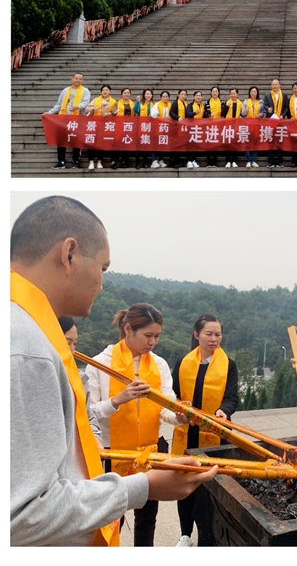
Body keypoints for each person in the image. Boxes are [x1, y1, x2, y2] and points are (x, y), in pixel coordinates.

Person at [10, 195, 217, 546]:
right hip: (111, 463)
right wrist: (145, 485)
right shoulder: (27, 348)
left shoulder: (24, 331)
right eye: (103, 268)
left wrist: (181, 415)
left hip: (145, 451)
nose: (102, 284)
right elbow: (23, 515)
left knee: (145, 528)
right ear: (69, 254)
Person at [85, 303, 186, 546]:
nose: (152, 342)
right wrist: (119, 399)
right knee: (112, 518)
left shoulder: (159, 364)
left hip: (149, 450)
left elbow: (166, 407)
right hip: (112, 451)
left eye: (157, 336)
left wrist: (179, 415)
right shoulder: (100, 363)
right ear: (128, 329)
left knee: (147, 518)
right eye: (148, 335)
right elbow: (89, 415)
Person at [172, 314, 239, 547]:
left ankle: (207, 536)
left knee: (207, 489)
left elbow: (232, 398)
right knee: (184, 486)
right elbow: (174, 396)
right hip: (186, 432)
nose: (214, 339)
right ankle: (185, 535)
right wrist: (179, 409)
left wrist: (223, 411)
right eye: (208, 334)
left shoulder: (228, 364)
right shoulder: (183, 363)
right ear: (196, 335)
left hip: (212, 434)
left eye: (218, 334)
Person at [58, 315, 103, 449]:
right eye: (67, 343)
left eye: (75, 343)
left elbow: (88, 416)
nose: (72, 350)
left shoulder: (79, 377)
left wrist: (95, 437)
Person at [47, 73, 90, 170]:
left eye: (80, 79)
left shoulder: (85, 91)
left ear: (82, 81)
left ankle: (75, 161)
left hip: (78, 119)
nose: (77, 80)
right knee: (61, 140)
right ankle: (61, 161)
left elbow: (85, 102)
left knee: (76, 140)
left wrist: (77, 106)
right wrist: (50, 112)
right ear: (72, 79)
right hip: (63, 119)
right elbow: (59, 104)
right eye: (76, 78)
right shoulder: (65, 91)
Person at [85, 84, 118, 170]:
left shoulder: (113, 101)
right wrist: (93, 109)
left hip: (105, 125)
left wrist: (110, 114)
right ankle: (91, 161)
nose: (105, 91)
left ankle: (100, 161)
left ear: (110, 91)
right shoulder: (96, 100)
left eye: (107, 90)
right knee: (91, 142)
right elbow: (87, 108)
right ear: (101, 91)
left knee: (101, 143)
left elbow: (115, 113)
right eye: (103, 90)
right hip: (94, 124)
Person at [262, 79, 289, 168]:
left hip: (280, 121)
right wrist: (267, 109)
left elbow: (286, 108)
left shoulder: (284, 95)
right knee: (270, 141)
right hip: (270, 120)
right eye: (273, 84)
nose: (274, 86)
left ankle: (279, 161)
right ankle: (270, 161)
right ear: (271, 85)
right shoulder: (267, 95)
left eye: (276, 84)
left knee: (280, 141)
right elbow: (265, 105)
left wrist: (282, 115)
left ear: (279, 85)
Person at [113, 88, 136, 170]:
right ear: (122, 94)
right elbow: (113, 111)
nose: (126, 94)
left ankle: (124, 161)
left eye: (128, 93)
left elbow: (136, 113)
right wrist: (114, 112)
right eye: (125, 92)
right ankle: (114, 161)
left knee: (127, 143)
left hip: (129, 126)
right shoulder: (117, 103)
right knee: (117, 143)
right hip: (119, 125)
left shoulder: (132, 104)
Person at [241, 86, 263, 167]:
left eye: (254, 91)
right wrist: (245, 111)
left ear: (257, 93)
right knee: (247, 142)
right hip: (247, 124)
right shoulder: (246, 101)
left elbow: (262, 113)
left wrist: (259, 115)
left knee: (255, 142)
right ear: (249, 93)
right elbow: (242, 113)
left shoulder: (260, 102)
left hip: (256, 124)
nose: (253, 93)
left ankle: (254, 160)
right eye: (252, 91)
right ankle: (248, 160)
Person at [150, 91, 172, 168]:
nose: (165, 98)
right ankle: (154, 160)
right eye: (163, 96)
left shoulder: (170, 105)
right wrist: (157, 114)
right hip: (157, 127)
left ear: (169, 97)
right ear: (161, 97)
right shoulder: (157, 104)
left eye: (166, 96)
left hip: (166, 128)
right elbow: (152, 113)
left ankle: (161, 160)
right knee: (156, 144)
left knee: (163, 143)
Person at [134, 89, 155, 169]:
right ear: (144, 95)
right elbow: (135, 111)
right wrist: (137, 102)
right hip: (140, 126)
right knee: (138, 145)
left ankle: (144, 162)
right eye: (147, 94)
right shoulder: (140, 103)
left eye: (150, 94)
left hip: (149, 127)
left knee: (146, 144)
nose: (148, 95)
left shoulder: (153, 104)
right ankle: (137, 162)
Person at [185, 91, 206, 169]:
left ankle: (193, 160)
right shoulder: (190, 105)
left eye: (200, 95)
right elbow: (188, 114)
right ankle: (189, 161)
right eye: (197, 95)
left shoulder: (202, 105)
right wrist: (194, 113)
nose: (198, 97)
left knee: (195, 144)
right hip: (191, 127)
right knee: (190, 144)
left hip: (199, 128)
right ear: (194, 97)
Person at [205, 86, 224, 168]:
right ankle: (209, 161)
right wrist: (209, 114)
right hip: (209, 126)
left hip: (218, 126)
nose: (214, 93)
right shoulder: (207, 102)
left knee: (216, 143)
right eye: (213, 91)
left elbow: (224, 113)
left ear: (218, 93)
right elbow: (205, 112)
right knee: (209, 143)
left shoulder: (222, 102)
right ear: (211, 93)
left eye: (216, 91)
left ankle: (214, 161)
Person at [169, 90, 188, 169]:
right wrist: (178, 118)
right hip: (175, 127)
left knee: (180, 145)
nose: (183, 96)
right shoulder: (175, 103)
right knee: (175, 145)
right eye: (182, 94)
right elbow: (171, 113)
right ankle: (173, 162)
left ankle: (177, 161)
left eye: (185, 94)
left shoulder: (185, 104)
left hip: (182, 127)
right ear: (178, 95)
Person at [224, 88, 243, 168]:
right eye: (231, 93)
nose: (232, 95)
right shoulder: (227, 103)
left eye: (234, 93)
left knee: (235, 143)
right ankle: (228, 160)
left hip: (237, 126)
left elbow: (242, 113)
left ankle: (234, 160)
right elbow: (223, 113)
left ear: (237, 94)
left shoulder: (240, 103)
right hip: (228, 126)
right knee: (228, 143)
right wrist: (226, 107)